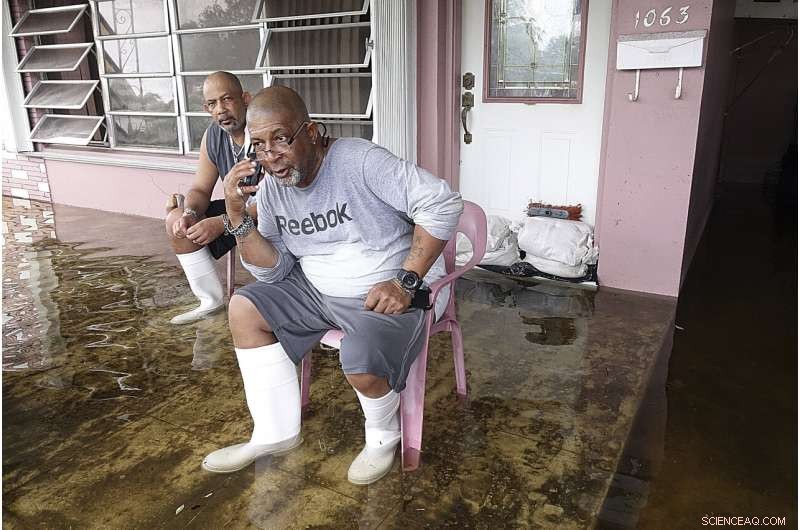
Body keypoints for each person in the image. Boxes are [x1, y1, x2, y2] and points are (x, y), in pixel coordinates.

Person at [201, 86, 463, 485]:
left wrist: (406, 280)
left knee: (359, 357)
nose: (271, 156)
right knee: (244, 308)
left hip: (388, 287)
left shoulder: (359, 161)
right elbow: (275, 269)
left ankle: (382, 435)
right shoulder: (272, 184)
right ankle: (273, 432)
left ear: (312, 132)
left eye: (281, 139)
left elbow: (442, 203)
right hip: (316, 287)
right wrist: (236, 215)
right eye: (259, 145)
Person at [165, 71, 259, 325]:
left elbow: (276, 203)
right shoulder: (213, 136)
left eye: (227, 99)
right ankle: (210, 301)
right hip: (237, 211)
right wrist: (190, 213)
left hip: (272, 215)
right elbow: (200, 190)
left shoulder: (263, 128)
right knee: (177, 220)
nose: (220, 110)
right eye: (212, 104)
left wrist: (221, 223)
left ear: (245, 99)